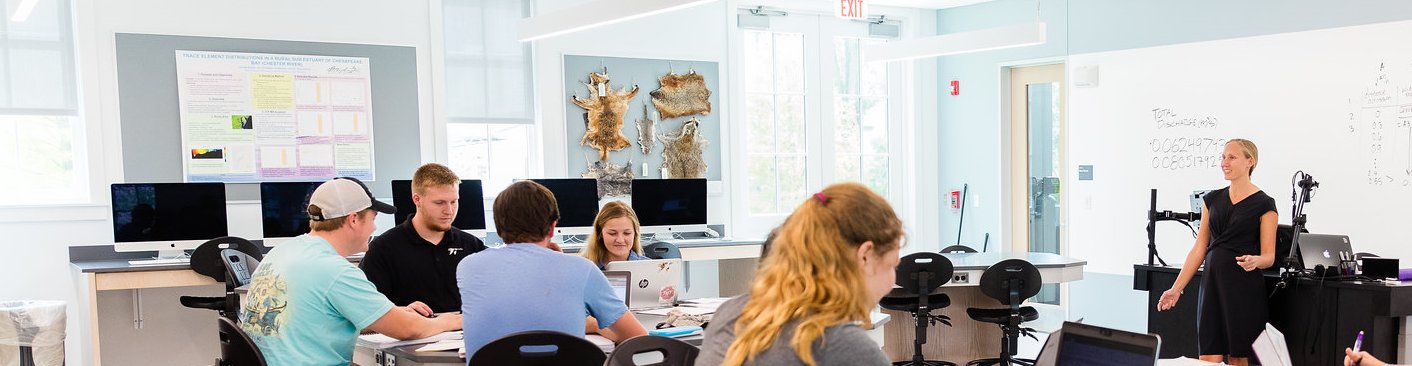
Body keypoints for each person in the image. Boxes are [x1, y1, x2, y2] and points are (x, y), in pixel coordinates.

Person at [241, 177, 462, 366]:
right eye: (373, 219)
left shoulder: (280, 253)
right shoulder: (335, 271)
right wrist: (456, 320)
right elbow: (408, 330)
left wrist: (392, 312)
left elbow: (320, 315)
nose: (375, 228)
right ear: (354, 219)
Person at [697, 182, 902, 366]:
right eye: (893, 265)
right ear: (864, 255)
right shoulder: (848, 349)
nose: (891, 282)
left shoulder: (730, 313)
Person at [457, 180, 648, 357]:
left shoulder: (468, 267)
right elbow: (640, 338)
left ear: (498, 230)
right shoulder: (582, 269)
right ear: (552, 228)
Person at [1156, 138, 1278, 366]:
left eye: (1232, 157)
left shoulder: (1265, 204)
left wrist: (1256, 261)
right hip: (1211, 285)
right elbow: (1199, 249)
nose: (1225, 162)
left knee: (1237, 356)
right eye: (1223, 157)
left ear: (1249, 162)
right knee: (1208, 356)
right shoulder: (1211, 200)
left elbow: (1269, 256)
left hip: (1243, 288)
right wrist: (1176, 288)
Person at [360, 163, 487, 313]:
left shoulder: (472, 245)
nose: (449, 211)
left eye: (454, 201)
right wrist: (401, 312)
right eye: (439, 203)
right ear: (417, 200)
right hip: (411, 332)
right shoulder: (383, 249)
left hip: (462, 331)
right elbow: (368, 309)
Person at [581, 200, 649, 270]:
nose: (620, 240)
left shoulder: (650, 267)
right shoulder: (583, 267)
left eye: (626, 233)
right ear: (600, 233)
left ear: (635, 234)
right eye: (612, 233)